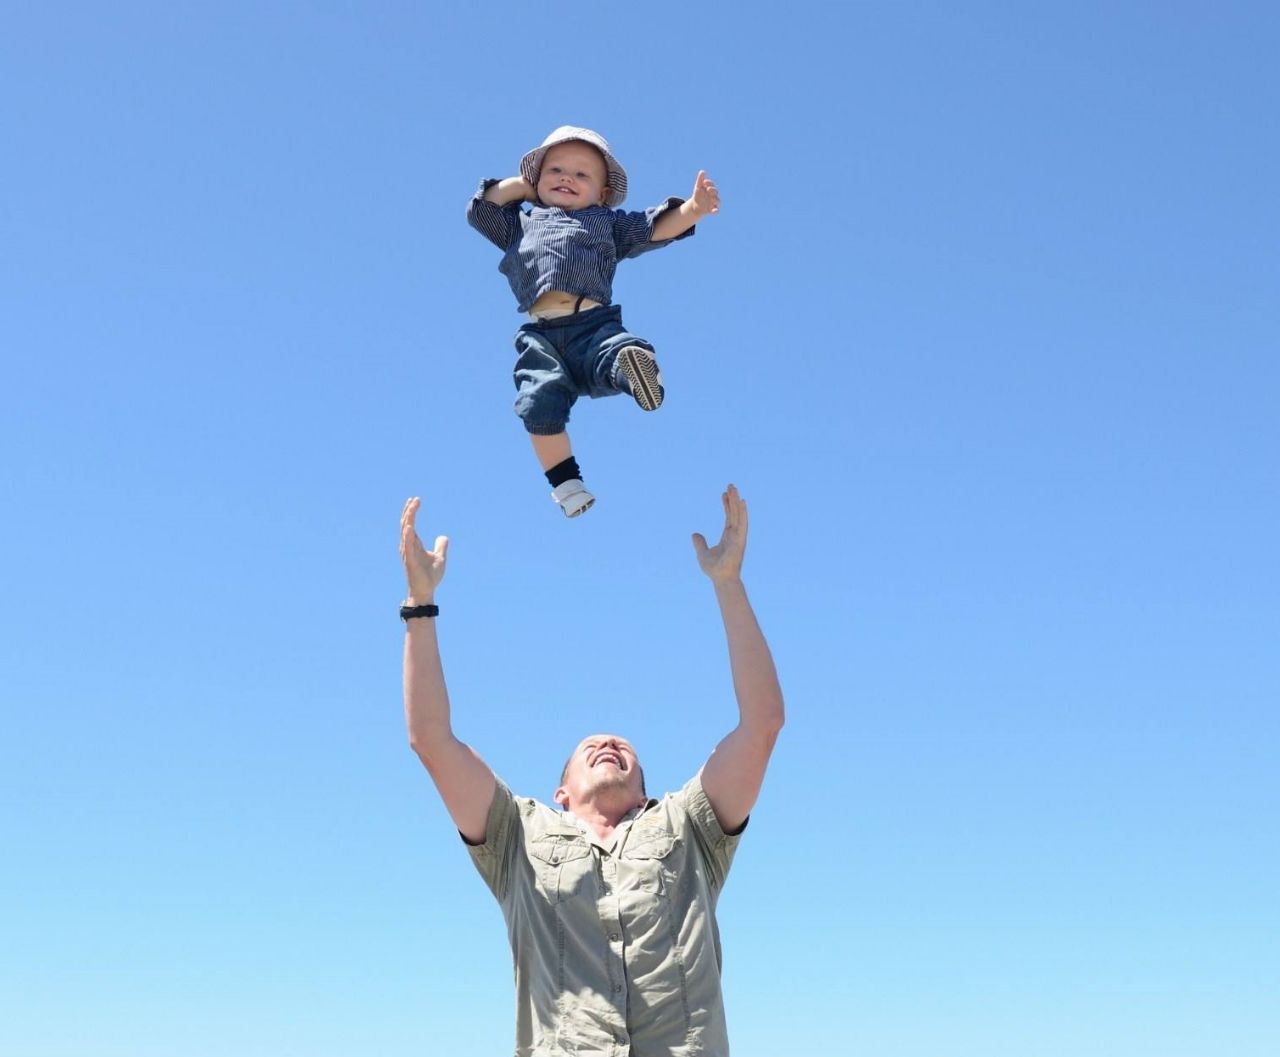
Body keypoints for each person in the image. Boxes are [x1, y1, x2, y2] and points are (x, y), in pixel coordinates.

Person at [399, 484, 783, 1056]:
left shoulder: (689, 829)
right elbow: (431, 739)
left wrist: (728, 584)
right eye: (590, 747)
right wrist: (420, 605)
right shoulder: (517, 837)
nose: (607, 742)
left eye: (621, 745)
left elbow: (762, 725)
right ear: (560, 792)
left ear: (646, 792)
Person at [466, 125, 720, 517]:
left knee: (611, 355)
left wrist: (693, 209)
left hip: (592, 324)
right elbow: (483, 209)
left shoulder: (607, 223)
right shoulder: (521, 224)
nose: (567, 178)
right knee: (536, 404)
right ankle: (568, 487)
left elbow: (653, 227)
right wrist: (523, 186)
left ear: (602, 195)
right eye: (555, 171)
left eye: (582, 175)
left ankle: (637, 370)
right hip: (540, 337)